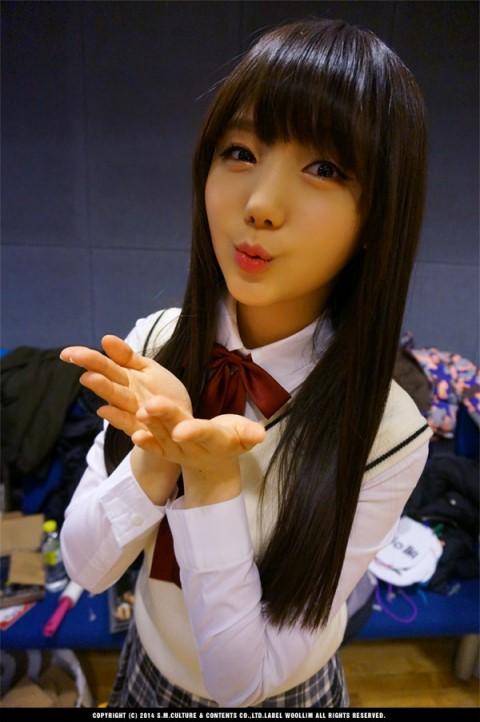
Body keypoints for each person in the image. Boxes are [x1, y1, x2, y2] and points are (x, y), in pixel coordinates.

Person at [59, 17, 433, 708]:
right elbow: (85, 567)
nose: (259, 205)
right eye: (239, 151)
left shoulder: (389, 431)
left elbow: (242, 681)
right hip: (145, 669)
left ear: (378, 214)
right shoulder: (154, 342)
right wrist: (156, 457)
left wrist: (210, 479)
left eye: (324, 168)